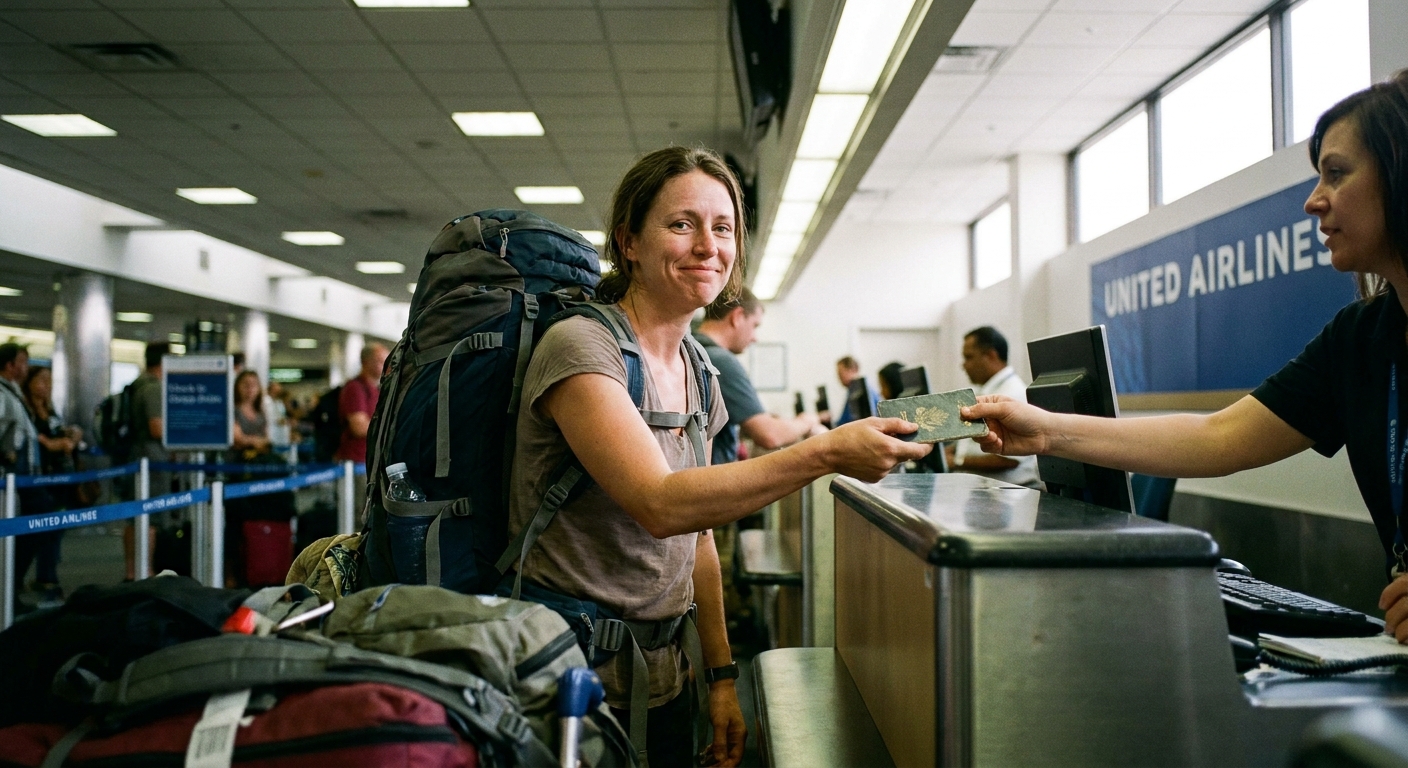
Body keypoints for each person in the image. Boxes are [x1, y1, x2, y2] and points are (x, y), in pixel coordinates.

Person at [508, 146, 929, 767]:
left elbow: (699, 538)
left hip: (665, 677)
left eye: (723, 227)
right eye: (682, 224)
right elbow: (661, 505)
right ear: (629, 242)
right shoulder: (582, 347)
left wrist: (722, 677)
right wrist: (827, 451)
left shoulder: (699, 370)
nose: (709, 244)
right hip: (566, 682)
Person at [961, 72, 1408, 642]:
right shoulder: (1360, 338)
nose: (1313, 200)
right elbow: (1218, 437)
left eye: (1337, 174)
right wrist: (1047, 431)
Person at [693, 287, 823, 465]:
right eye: (755, 325)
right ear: (737, 317)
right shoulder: (720, 361)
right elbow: (770, 435)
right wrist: (806, 421)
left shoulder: (692, 350)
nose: (755, 338)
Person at [945, 327, 1040, 488]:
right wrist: (953, 450)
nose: (964, 365)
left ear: (991, 355)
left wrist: (957, 462)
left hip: (1009, 495)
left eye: (969, 357)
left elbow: (1011, 459)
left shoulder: (1014, 393)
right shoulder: (986, 390)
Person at [20, 366, 79, 604]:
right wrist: (57, 444)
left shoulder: (51, 410)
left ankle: (47, 575)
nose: (46, 385)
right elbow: (36, 439)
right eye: (41, 380)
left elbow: (67, 433)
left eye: (50, 380)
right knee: (38, 531)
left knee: (54, 531)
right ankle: (44, 578)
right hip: (37, 478)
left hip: (60, 479)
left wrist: (72, 437)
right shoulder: (26, 410)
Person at [125, 341, 169, 580]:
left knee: (135, 515)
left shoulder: (138, 384)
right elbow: (156, 428)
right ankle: (145, 570)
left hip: (139, 454)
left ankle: (133, 570)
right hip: (150, 457)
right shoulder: (153, 388)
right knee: (150, 516)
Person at [337, 343, 388, 465]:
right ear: (366, 362)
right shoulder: (355, 388)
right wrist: (391, 426)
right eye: (380, 361)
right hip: (357, 460)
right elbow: (359, 427)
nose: (385, 366)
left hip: (373, 459)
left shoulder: (376, 389)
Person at [826, 356, 878, 426]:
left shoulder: (860, 390)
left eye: (840, 374)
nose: (838, 378)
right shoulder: (853, 390)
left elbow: (847, 420)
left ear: (852, 370)